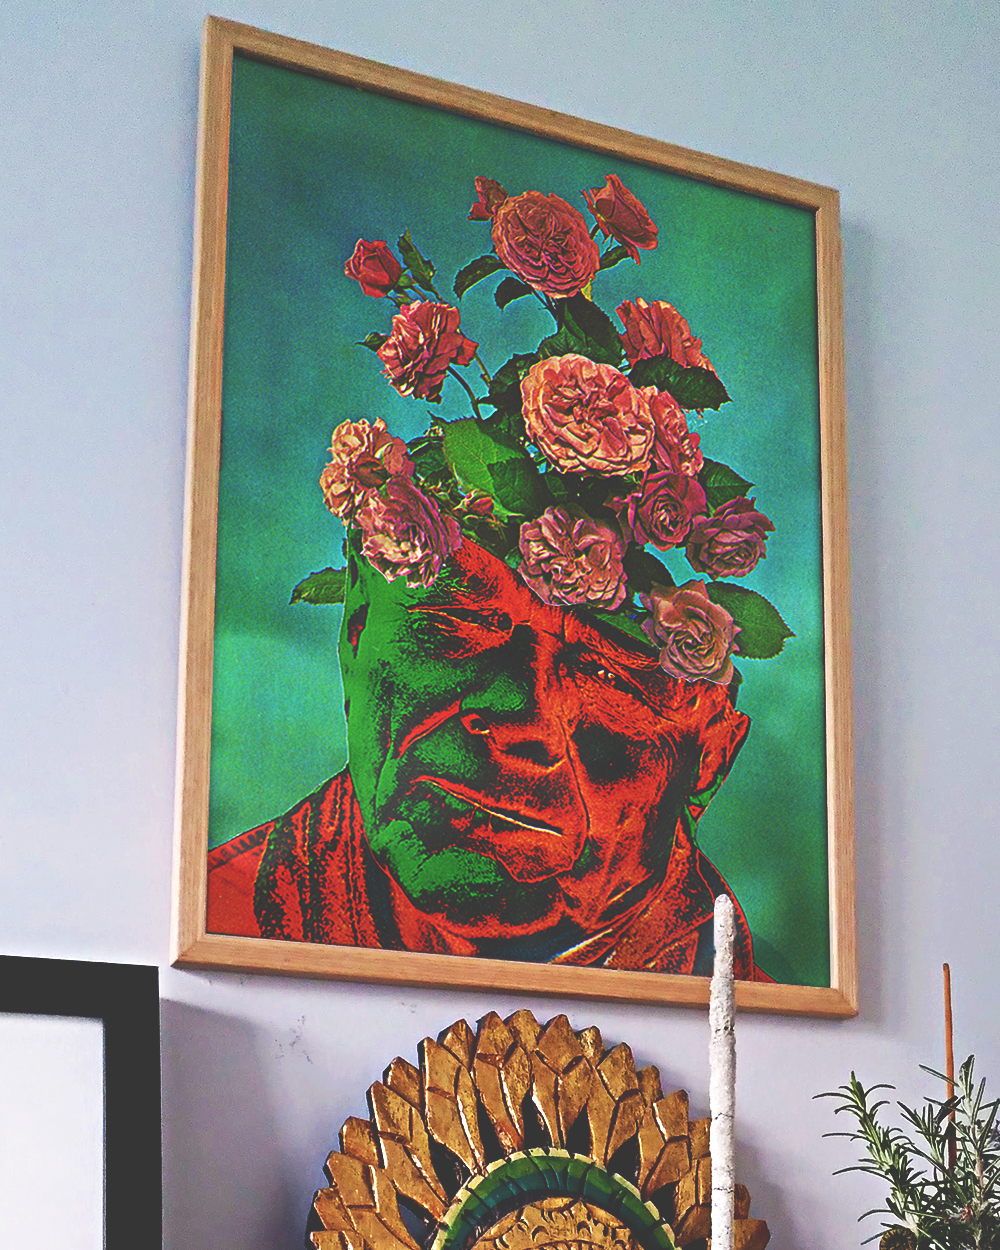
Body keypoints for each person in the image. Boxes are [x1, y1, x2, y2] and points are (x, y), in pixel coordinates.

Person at [206, 536, 769, 980]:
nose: (519, 715)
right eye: (457, 621)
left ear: (711, 757)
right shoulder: (211, 919)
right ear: (358, 630)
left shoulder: (772, 1054)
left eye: (608, 674)